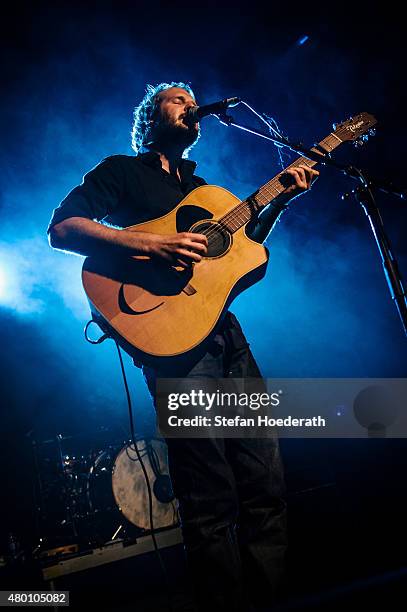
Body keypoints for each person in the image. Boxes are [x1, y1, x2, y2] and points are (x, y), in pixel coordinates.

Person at [48, 82, 319, 611]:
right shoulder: (121, 172)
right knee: (209, 493)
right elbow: (63, 228)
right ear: (151, 117)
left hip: (225, 334)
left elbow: (245, 253)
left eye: (192, 98)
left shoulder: (205, 190)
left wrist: (281, 196)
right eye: (177, 98)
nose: (190, 104)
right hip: (170, 341)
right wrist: (155, 242)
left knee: (265, 479)